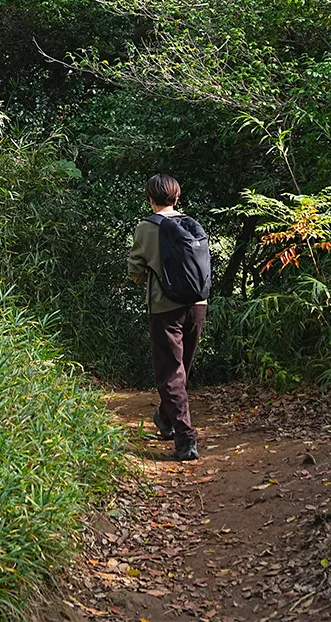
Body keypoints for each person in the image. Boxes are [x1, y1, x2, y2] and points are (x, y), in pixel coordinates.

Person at [127, 172, 205, 461]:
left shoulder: (147, 227)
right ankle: (165, 417)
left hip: (164, 308)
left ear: (150, 199)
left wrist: (147, 272)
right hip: (198, 304)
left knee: (171, 372)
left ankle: (186, 439)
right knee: (182, 367)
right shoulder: (192, 224)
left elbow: (135, 271)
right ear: (177, 197)